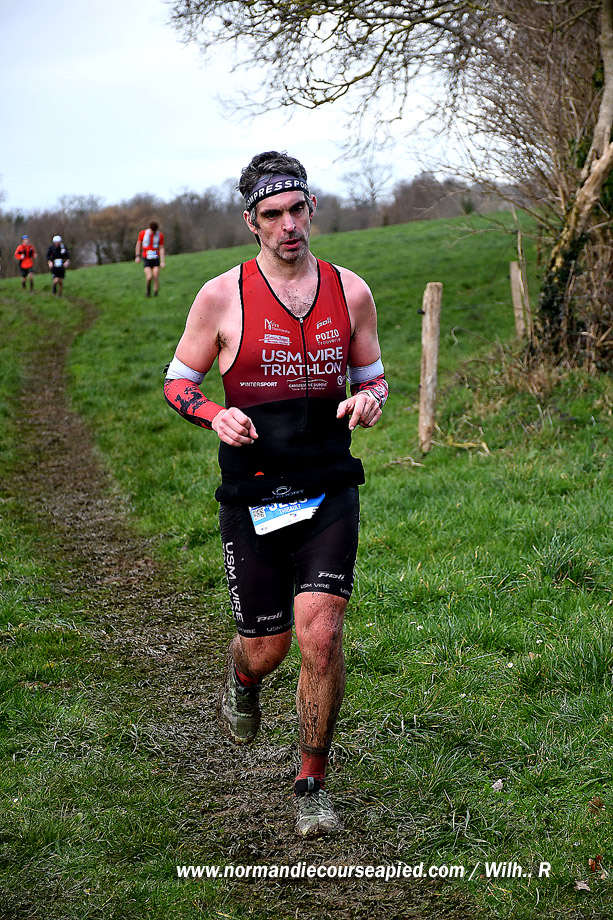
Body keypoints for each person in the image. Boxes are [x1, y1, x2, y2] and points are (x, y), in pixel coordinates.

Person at [163, 151, 388, 838]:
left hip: (328, 484)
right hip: (254, 493)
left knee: (321, 633)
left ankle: (311, 783)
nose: (288, 225)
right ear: (251, 222)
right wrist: (213, 415)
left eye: (296, 210)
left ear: (311, 208)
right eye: (272, 215)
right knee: (267, 647)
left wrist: (370, 400)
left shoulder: (350, 291)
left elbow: (374, 378)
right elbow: (178, 382)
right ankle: (242, 681)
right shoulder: (220, 296)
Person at [135, 221, 165, 297]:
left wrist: (162, 261)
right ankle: (148, 290)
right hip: (146, 258)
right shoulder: (143, 233)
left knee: (155, 275)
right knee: (149, 277)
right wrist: (137, 256)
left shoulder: (160, 235)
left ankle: (155, 292)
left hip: (155, 258)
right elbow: (138, 244)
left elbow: (161, 248)